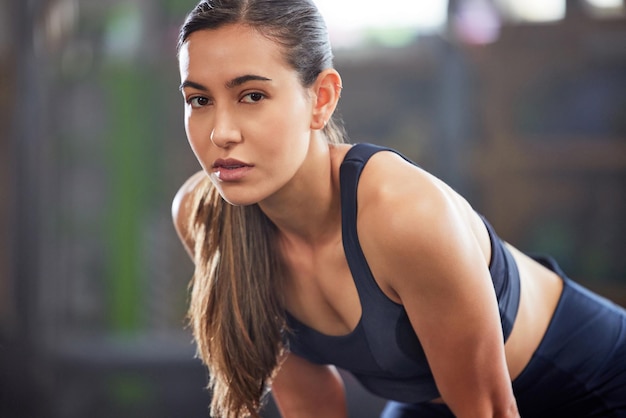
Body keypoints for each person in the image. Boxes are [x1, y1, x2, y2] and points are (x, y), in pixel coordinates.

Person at [172, 1, 626, 417]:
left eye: (252, 95)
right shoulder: (204, 218)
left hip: (591, 384)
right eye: (200, 100)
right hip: (439, 402)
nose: (221, 134)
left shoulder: (401, 213)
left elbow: (488, 410)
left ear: (321, 99)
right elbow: (311, 403)